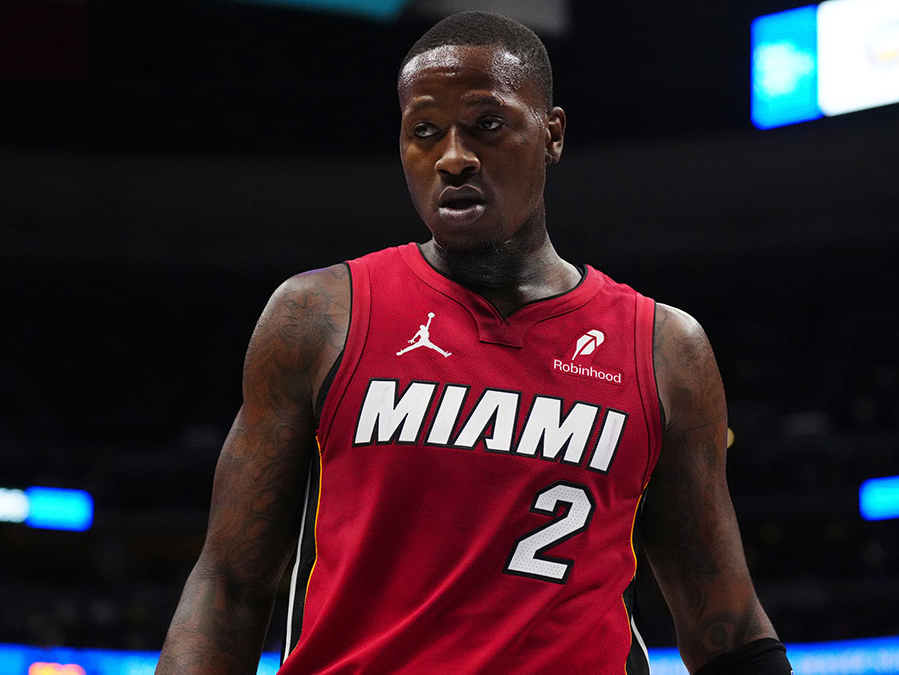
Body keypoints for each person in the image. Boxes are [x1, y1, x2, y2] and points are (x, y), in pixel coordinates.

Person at [156, 11, 791, 675]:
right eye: (424, 132)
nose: (452, 156)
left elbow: (725, 622)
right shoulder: (316, 316)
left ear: (552, 134)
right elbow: (228, 585)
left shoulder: (665, 349)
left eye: (486, 124)